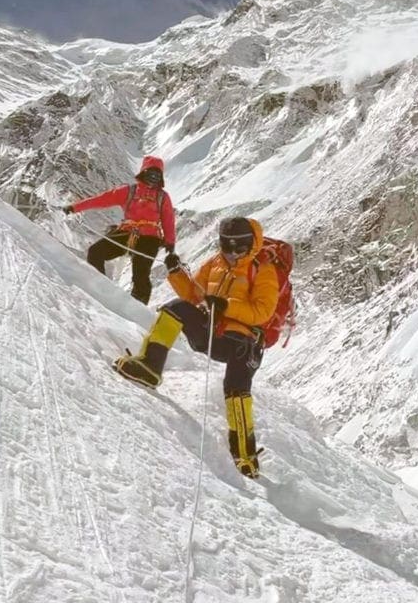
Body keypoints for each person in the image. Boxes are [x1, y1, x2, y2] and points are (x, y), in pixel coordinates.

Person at [115, 216, 279, 479]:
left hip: (242, 341)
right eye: (227, 246)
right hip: (211, 333)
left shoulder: (263, 270)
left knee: (236, 388)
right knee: (175, 309)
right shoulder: (215, 263)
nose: (233, 253)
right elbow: (193, 295)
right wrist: (175, 273)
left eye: (240, 247)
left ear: (253, 244)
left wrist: (226, 306)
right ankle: (149, 366)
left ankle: (245, 457)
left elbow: (262, 312)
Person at [63, 156, 176, 305]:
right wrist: (75, 207)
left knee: (140, 274)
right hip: (127, 232)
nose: (153, 178)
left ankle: (137, 308)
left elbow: (168, 219)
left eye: (157, 175)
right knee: (96, 252)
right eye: (151, 174)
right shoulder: (129, 191)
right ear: (143, 173)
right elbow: (102, 199)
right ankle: (100, 289)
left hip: (150, 238)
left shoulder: (163, 197)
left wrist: (170, 241)